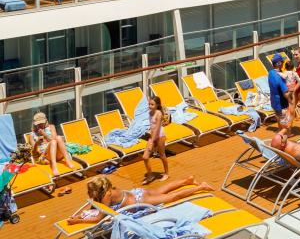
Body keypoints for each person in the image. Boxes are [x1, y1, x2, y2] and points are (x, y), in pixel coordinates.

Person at [66, 175, 214, 224]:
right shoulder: (108, 189)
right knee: (161, 190)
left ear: (98, 190)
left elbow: (99, 217)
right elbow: (95, 207)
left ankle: (200, 187)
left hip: (138, 202)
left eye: (90, 191)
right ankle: (187, 180)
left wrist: (78, 220)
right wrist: (80, 215)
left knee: (170, 197)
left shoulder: (106, 197)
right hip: (137, 193)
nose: (89, 193)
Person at [30, 112, 75, 177]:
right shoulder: (32, 135)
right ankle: (54, 166)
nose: (40, 125)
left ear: (45, 122)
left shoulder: (51, 127)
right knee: (53, 142)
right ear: (34, 124)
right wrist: (37, 143)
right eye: (38, 124)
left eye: (42, 123)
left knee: (58, 138)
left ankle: (67, 160)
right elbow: (34, 152)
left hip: (57, 154)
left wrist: (44, 134)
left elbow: (55, 139)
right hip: (45, 157)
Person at [143, 94, 169, 182]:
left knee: (162, 155)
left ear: (157, 105)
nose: (150, 106)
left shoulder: (159, 114)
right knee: (145, 157)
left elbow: (157, 128)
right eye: (149, 104)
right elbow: (152, 127)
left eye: (152, 104)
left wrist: (151, 142)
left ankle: (166, 173)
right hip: (153, 136)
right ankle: (150, 175)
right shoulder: (149, 113)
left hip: (160, 136)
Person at [267, 53, 290, 132]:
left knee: (278, 116)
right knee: (286, 125)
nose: (283, 63)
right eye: (282, 62)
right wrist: (293, 102)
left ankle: (280, 130)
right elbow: (285, 92)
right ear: (279, 63)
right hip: (281, 103)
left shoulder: (270, 73)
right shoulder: (280, 77)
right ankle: (284, 135)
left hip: (273, 101)